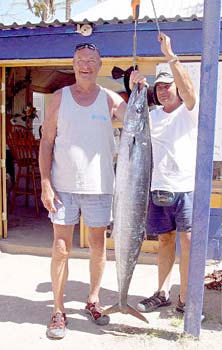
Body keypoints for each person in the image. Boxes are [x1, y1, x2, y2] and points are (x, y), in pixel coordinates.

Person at [39, 42, 144, 339]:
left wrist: (136, 88)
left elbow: (137, 118)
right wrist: (45, 184)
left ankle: (93, 301)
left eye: (91, 61)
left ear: (99, 65)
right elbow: (46, 143)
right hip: (62, 188)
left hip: (100, 188)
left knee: (98, 247)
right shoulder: (59, 99)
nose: (85, 65)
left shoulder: (110, 99)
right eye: (80, 60)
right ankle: (58, 311)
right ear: (73, 64)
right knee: (61, 249)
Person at [134, 33, 200, 317]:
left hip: (185, 189)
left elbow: (189, 91)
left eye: (167, 85)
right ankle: (162, 293)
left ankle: (186, 298)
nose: (162, 91)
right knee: (164, 241)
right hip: (157, 189)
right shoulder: (152, 115)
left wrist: (170, 55)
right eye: (158, 87)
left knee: (187, 242)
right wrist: (134, 85)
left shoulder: (188, 111)